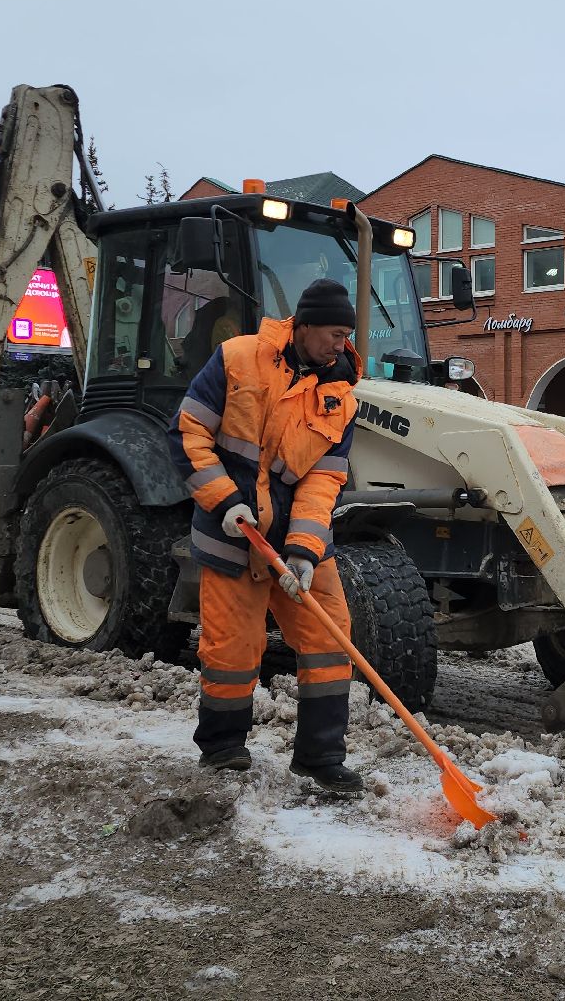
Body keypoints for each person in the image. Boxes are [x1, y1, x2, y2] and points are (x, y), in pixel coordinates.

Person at [168, 279, 363, 792]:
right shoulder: (238, 358)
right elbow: (188, 433)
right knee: (233, 647)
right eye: (333, 333)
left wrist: (303, 551)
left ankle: (321, 757)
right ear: (302, 325)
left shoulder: (341, 398)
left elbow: (324, 481)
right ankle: (224, 747)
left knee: (329, 637)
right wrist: (225, 502)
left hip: (294, 540)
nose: (339, 345)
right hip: (233, 535)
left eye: (346, 336)